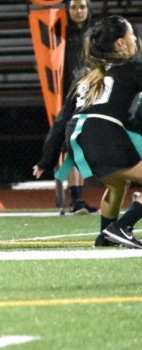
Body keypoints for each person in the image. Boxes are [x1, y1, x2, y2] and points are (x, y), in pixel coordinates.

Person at [32, 15, 141, 248]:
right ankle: (123, 226)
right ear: (121, 43)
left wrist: (46, 159)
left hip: (78, 136)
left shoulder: (87, 77)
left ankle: (105, 236)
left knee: (118, 184)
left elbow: (61, 121)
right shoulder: (132, 68)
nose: (135, 39)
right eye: (131, 34)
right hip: (103, 132)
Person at [59, 0, 98, 215]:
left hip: (91, 96)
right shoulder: (61, 35)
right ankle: (75, 198)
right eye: (74, 7)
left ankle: (78, 198)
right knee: (70, 147)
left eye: (82, 7)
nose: (79, 11)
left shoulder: (95, 35)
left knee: (81, 147)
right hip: (67, 98)